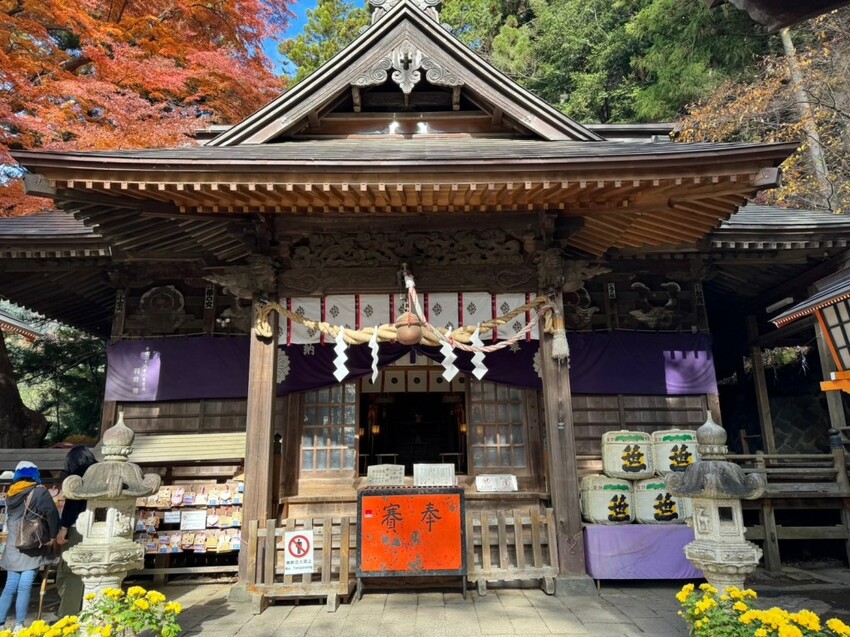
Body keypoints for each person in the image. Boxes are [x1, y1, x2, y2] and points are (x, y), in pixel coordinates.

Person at [0, 461, 60, 633]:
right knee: (25, 585)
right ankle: (19, 625)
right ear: (34, 474)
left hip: (13, 545)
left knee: (10, 585)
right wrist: (53, 537)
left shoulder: (11, 493)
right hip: (32, 543)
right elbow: (52, 515)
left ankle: (1, 624)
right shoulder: (39, 492)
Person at [55, 446, 97, 617]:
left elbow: (72, 505)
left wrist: (63, 527)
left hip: (76, 529)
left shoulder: (77, 477)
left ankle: (69, 613)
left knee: (71, 570)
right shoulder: (99, 474)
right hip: (96, 528)